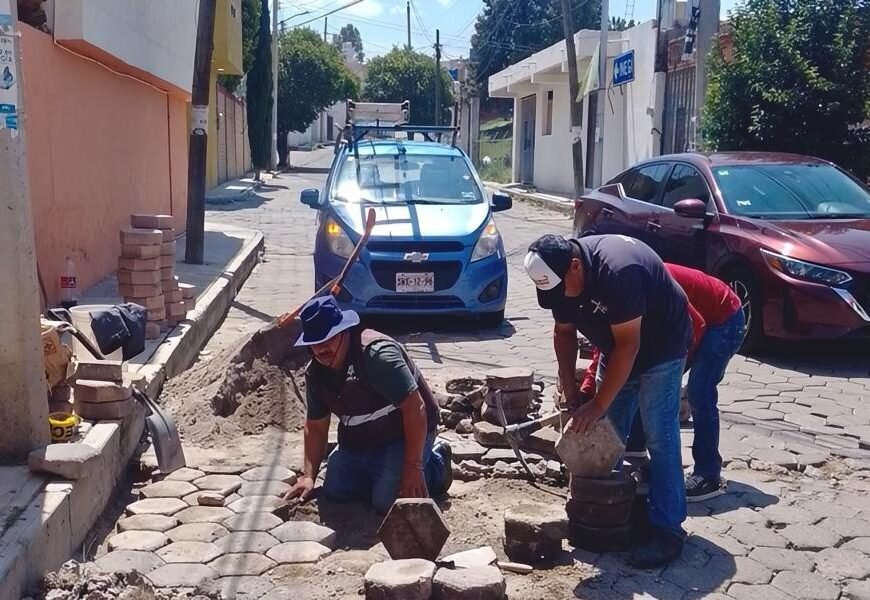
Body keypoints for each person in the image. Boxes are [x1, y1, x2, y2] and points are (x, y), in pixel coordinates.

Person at [524, 234, 691, 568]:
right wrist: (568, 387)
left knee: (659, 435)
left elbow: (630, 346)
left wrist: (598, 404)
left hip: (660, 348)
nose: (560, 298)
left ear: (575, 266)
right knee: (606, 433)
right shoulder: (560, 276)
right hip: (616, 347)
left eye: (561, 289)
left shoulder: (619, 271)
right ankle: (606, 511)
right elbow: (564, 332)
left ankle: (667, 530)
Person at [582, 263, 744, 501]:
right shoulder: (608, 297)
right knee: (636, 375)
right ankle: (636, 450)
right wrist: (587, 390)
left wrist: (670, 374)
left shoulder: (641, 287)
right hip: (691, 322)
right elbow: (606, 350)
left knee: (698, 391)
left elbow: (695, 326)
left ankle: (708, 474)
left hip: (723, 317)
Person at [283, 296, 452, 513]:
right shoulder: (316, 373)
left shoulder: (377, 356)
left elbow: (415, 408)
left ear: (344, 332)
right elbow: (316, 426)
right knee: (335, 490)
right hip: (362, 440)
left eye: (328, 338)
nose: (320, 348)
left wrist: (413, 467)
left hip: (405, 433)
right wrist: (309, 476)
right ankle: (381, 472)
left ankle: (436, 464)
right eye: (314, 342)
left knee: (387, 501)